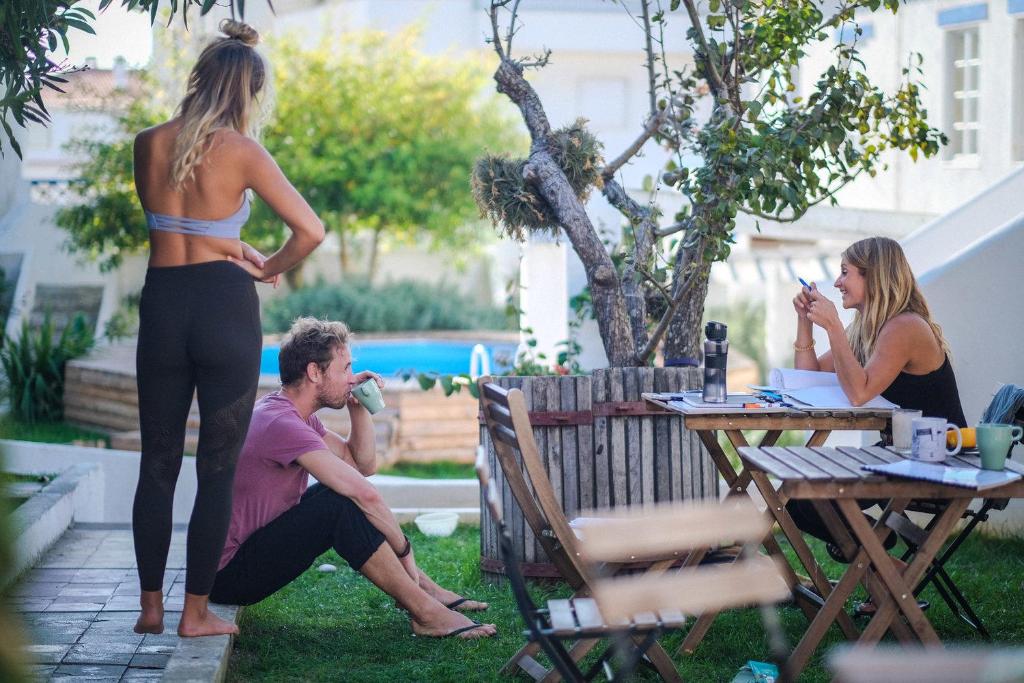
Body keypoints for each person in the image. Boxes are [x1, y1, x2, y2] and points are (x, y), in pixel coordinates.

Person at [132, 20, 325, 637]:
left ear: (200, 78)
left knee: (156, 463)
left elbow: (171, 229)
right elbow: (311, 232)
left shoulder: (148, 142)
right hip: (224, 312)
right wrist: (263, 263)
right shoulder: (243, 151)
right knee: (216, 468)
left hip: (163, 306)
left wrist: (223, 241)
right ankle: (196, 614)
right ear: (248, 91)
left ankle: (149, 608)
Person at [209, 318, 496, 640]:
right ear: (315, 372)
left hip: (242, 555)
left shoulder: (291, 415)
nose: (352, 378)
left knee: (336, 496)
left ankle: (428, 592)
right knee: (337, 504)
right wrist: (405, 552)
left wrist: (356, 408)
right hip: (228, 574)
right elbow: (366, 493)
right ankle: (427, 612)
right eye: (345, 369)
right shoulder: (281, 423)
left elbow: (361, 464)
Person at [788, 236, 966, 565]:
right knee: (799, 498)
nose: (838, 283)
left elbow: (859, 393)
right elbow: (807, 378)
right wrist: (805, 321)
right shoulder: (867, 329)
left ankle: (885, 573)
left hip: (942, 458)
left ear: (875, 276)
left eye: (845, 272)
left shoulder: (905, 327)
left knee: (807, 498)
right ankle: (883, 561)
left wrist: (833, 327)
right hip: (901, 454)